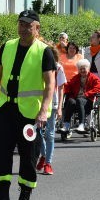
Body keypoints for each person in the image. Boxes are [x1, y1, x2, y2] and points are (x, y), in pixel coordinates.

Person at [0, 10, 55, 200]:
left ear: (37, 28)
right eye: (21, 24)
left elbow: (50, 85)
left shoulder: (44, 52)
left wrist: (44, 112)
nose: (23, 28)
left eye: (28, 25)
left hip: (30, 114)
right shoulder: (7, 46)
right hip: (5, 109)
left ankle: (24, 198)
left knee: (28, 157)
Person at [37, 45, 65, 175]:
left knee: (50, 134)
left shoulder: (58, 67)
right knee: (36, 133)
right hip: (37, 102)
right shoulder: (36, 66)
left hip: (52, 103)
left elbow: (60, 88)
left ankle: (48, 163)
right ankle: (43, 154)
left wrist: (59, 107)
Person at [61, 59, 100, 132]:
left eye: (84, 68)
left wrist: (86, 94)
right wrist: (62, 86)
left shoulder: (94, 78)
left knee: (79, 100)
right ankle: (66, 124)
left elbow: (98, 89)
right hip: (76, 100)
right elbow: (68, 85)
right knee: (70, 101)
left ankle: (81, 124)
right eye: (80, 69)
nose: (82, 70)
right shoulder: (76, 77)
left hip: (89, 101)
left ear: (88, 68)